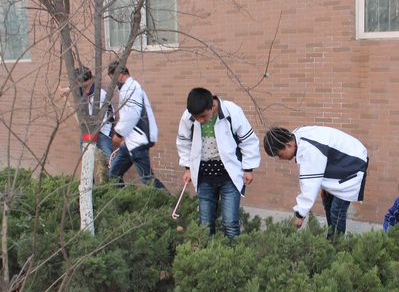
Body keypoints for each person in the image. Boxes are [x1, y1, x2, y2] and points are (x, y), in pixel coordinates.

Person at [176, 88, 261, 241]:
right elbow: (183, 142)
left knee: (230, 223)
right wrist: (188, 168)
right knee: (205, 223)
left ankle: (232, 253)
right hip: (203, 177)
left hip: (229, 177)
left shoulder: (232, 111)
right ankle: (208, 252)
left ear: (213, 106)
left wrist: (248, 169)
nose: (200, 120)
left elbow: (248, 141)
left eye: (203, 116)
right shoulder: (188, 116)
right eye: (196, 117)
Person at [263, 126, 368, 239]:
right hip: (341, 160)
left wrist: (300, 215)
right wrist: (327, 187)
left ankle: (337, 243)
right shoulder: (296, 137)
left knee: (337, 210)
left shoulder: (309, 149)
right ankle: (331, 237)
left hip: (354, 163)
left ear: (288, 145)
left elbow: (309, 185)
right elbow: (320, 163)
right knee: (327, 201)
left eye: (280, 154)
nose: (280, 158)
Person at [107, 60, 167, 189]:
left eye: (113, 79)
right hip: (132, 142)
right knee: (114, 174)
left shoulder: (130, 89)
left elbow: (130, 115)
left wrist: (119, 134)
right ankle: (121, 198)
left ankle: (167, 199)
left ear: (119, 75)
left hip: (138, 141)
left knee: (147, 180)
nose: (114, 83)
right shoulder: (130, 88)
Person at [60, 66, 114, 161]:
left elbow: (105, 117)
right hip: (86, 130)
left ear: (89, 79)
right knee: (86, 159)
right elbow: (76, 86)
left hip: (102, 131)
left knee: (108, 159)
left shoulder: (100, 95)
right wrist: (68, 89)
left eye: (80, 82)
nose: (78, 84)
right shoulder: (82, 90)